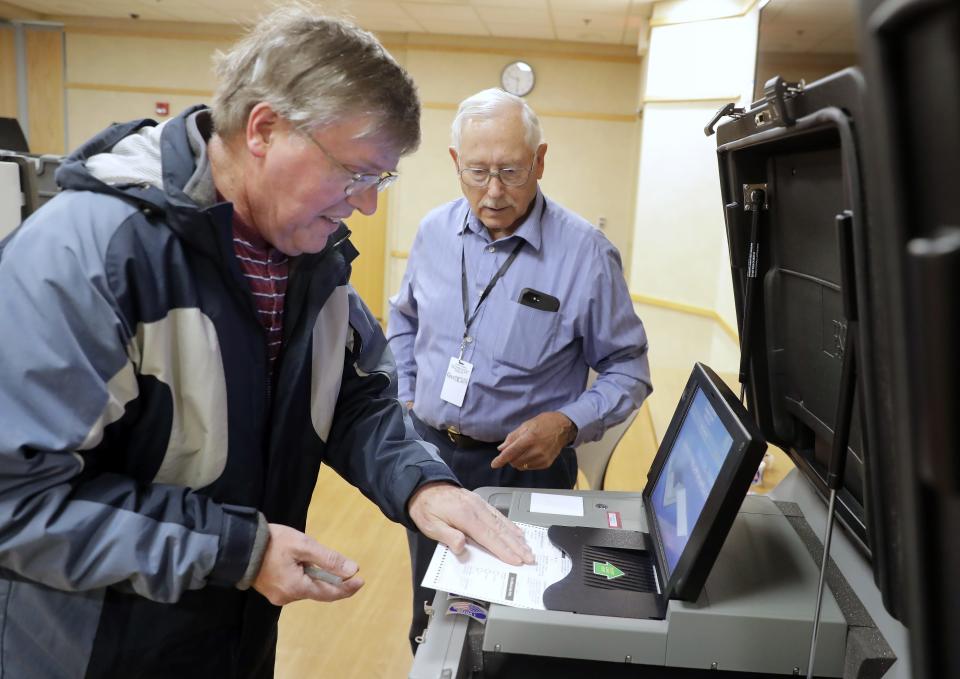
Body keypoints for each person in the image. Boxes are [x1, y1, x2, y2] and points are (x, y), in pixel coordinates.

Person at [0, 10, 532, 679]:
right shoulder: (88, 254)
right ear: (264, 128)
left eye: (381, 180)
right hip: (91, 652)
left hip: (232, 639)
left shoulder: (310, 255)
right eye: (356, 173)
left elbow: (356, 396)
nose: (366, 206)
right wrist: (237, 550)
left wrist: (420, 484)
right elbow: (17, 501)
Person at [387, 87, 652, 651]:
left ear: (540, 160)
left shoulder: (586, 253)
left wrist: (567, 423)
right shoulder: (433, 232)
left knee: (507, 631)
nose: (494, 192)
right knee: (436, 617)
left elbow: (629, 368)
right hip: (430, 458)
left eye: (511, 171)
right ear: (456, 162)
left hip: (523, 468)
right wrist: (407, 395)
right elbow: (403, 320)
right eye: (477, 172)